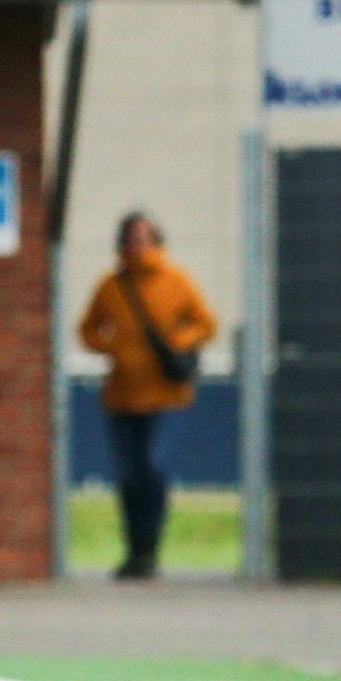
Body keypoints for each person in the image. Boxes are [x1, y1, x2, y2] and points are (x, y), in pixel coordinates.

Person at [77, 212, 218, 580]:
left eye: (144, 238)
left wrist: (176, 344)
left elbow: (206, 323)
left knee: (154, 467)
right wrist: (113, 347)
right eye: (131, 238)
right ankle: (135, 551)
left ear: (157, 241)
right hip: (122, 396)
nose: (137, 246)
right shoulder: (111, 286)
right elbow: (87, 329)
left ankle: (151, 546)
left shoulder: (175, 280)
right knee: (128, 474)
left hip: (167, 396)